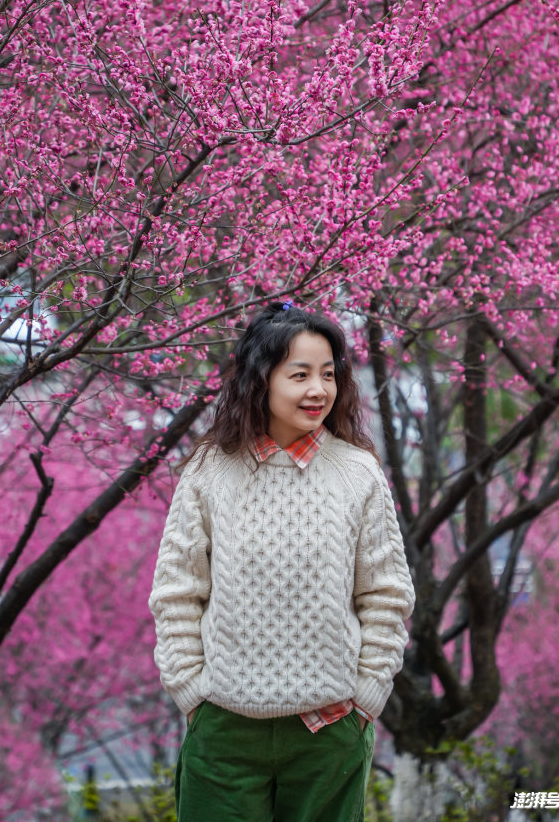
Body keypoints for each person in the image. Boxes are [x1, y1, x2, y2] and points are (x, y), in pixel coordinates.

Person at [149, 301, 415, 822]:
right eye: (300, 375)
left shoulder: (358, 474)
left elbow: (386, 594)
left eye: (328, 374)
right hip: (223, 729)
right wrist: (190, 690)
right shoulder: (209, 470)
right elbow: (178, 591)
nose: (318, 389)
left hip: (330, 731)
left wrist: (368, 695)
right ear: (261, 379)